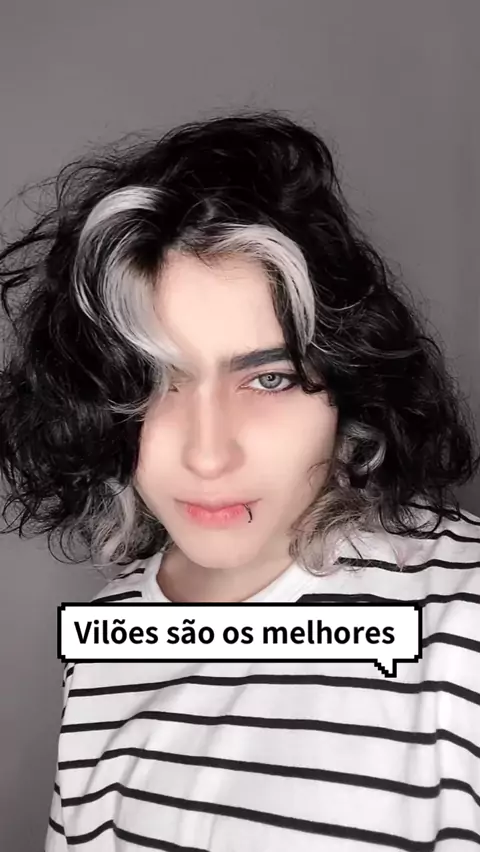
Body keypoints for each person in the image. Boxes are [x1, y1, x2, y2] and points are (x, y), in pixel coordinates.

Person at [1, 110, 479, 851]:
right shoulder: (105, 639)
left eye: (269, 379)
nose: (208, 455)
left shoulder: (464, 619)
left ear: (345, 389)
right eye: (154, 383)